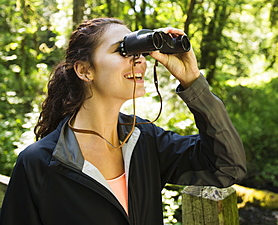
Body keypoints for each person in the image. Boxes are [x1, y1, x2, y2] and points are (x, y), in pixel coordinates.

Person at [0, 18, 246, 225]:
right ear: (85, 70)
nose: (139, 60)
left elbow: (227, 167)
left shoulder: (146, 141)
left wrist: (192, 81)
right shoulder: (39, 164)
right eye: (123, 50)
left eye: (139, 52)